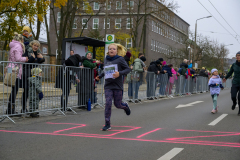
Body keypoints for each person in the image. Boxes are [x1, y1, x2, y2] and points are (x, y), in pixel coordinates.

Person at [96, 43, 131, 131]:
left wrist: (119, 73)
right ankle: (107, 124)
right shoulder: (106, 59)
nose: (112, 50)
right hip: (108, 85)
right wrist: (99, 76)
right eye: (110, 49)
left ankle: (125, 106)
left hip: (117, 86)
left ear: (117, 51)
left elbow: (128, 69)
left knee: (118, 105)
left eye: (114, 49)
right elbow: (106, 70)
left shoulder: (120, 59)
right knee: (108, 103)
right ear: (108, 50)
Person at [6, 33, 28, 114]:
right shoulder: (18, 46)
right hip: (16, 70)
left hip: (10, 68)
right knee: (14, 91)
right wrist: (25, 58)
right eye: (23, 39)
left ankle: (10, 109)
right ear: (20, 40)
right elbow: (18, 58)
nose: (23, 41)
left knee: (13, 90)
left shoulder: (12, 46)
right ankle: (10, 110)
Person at [21, 40, 45, 113]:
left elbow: (38, 62)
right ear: (31, 45)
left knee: (34, 92)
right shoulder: (27, 51)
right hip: (27, 73)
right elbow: (25, 62)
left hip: (34, 74)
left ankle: (32, 109)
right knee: (26, 91)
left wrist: (42, 58)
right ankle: (24, 108)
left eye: (37, 46)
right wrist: (32, 58)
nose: (36, 47)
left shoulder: (37, 53)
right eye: (34, 45)